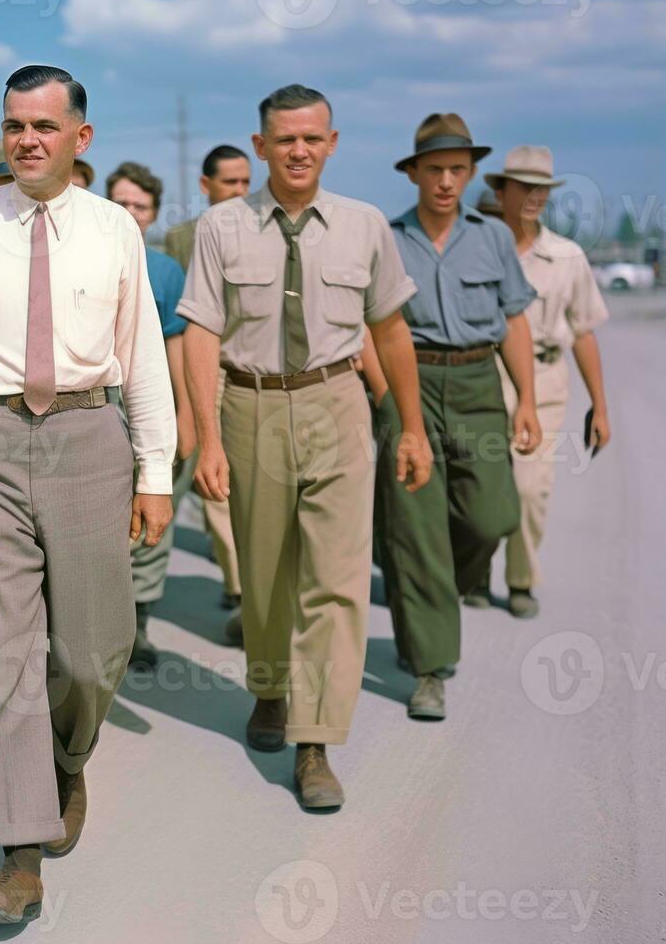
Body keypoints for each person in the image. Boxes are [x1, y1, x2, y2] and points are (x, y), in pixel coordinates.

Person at [0, 65, 176, 925]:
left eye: (44, 127)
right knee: (2, 651)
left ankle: (66, 757)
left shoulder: (112, 231)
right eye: (14, 124)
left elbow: (142, 357)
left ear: (79, 139)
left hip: (90, 439)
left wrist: (155, 471)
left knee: (92, 649)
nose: (27, 140)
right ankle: (18, 852)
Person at [182, 85, 432, 810]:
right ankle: (267, 685)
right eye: (283, 140)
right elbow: (200, 330)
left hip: (336, 405)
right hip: (250, 407)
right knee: (264, 577)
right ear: (259, 147)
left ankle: (314, 741)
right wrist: (205, 439)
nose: (297, 151)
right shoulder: (220, 227)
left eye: (311, 139)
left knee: (335, 580)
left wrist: (410, 427)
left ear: (331, 143)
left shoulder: (362, 227)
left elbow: (389, 330)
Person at [379, 114, 541, 720]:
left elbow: (516, 319)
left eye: (457, 170)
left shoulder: (494, 237)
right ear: (415, 173)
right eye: (435, 169)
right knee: (417, 529)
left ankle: (450, 585)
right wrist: (384, 396)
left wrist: (525, 399)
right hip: (409, 382)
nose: (446, 180)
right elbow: (375, 325)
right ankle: (429, 667)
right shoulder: (388, 239)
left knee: (493, 514)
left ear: (470, 174)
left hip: (477, 383)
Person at [485, 145, 610, 618]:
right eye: (524, 187)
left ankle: (520, 579)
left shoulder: (567, 256)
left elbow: (582, 332)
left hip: (545, 378)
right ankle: (474, 570)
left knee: (529, 488)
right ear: (501, 191)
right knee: (474, 486)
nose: (535, 196)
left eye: (543, 188)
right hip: (483, 374)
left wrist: (599, 405)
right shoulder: (479, 248)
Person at [105, 161, 196, 667]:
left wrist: (186, 416)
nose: (130, 213)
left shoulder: (165, 271)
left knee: (152, 513)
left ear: (154, 213)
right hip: (98, 404)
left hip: (152, 399)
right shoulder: (84, 257)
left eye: (140, 206)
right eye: (121, 203)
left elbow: (177, 346)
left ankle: (139, 623)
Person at [165, 144, 253, 633]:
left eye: (245, 182)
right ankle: (239, 584)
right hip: (205, 369)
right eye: (229, 183)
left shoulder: (265, 230)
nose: (239, 191)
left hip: (256, 370)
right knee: (216, 477)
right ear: (206, 186)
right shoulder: (181, 239)